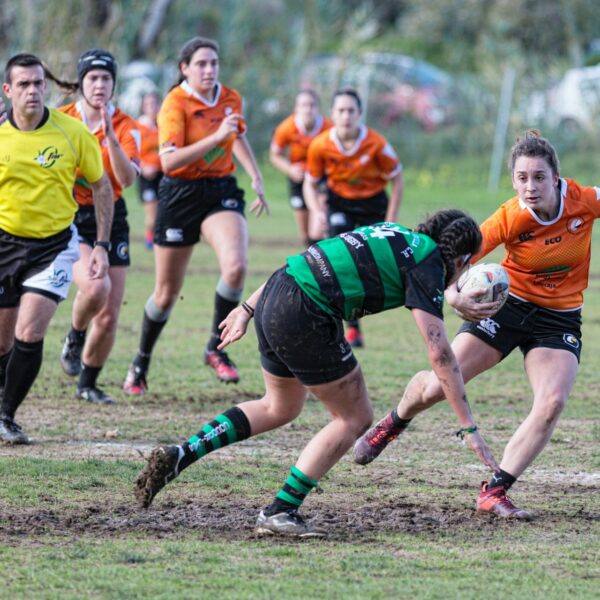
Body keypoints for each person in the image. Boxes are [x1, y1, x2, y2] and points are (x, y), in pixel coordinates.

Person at [134, 210, 499, 538]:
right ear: (462, 259)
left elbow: (308, 258)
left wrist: (247, 307)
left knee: (280, 406)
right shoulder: (429, 262)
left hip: (278, 291)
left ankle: (183, 453)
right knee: (355, 417)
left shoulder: (390, 232)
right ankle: (280, 510)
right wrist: (469, 428)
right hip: (305, 312)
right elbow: (440, 352)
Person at [353, 130, 598, 521]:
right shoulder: (509, 217)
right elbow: (448, 260)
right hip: (503, 308)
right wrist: (454, 298)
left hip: (558, 317)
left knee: (552, 403)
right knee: (438, 386)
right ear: (513, 180)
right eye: (521, 178)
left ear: (556, 177)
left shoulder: (585, 201)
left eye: (538, 177)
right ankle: (395, 421)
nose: (530, 187)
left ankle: (495, 490)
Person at [122, 36, 268, 395]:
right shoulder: (174, 104)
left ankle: (214, 348)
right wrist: (218, 137)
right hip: (180, 195)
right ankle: (141, 360)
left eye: (213, 63)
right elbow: (169, 161)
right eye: (201, 63)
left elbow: (238, 137)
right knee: (166, 293)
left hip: (219, 190)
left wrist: (255, 175)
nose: (209, 70)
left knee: (235, 267)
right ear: (184, 68)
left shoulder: (230, 97)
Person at [0, 53, 113, 443]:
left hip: (54, 246)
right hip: (4, 243)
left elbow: (102, 186)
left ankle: (7, 416)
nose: (33, 90)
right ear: (8, 90)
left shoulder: (71, 132)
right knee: (2, 339)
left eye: (38, 83)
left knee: (29, 331)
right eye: (25, 84)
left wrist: (100, 244)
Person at [58, 49, 140, 405]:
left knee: (108, 316)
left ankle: (87, 383)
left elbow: (127, 179)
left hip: (111, 217)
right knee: (95, 287)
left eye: (106, 78)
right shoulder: (60, 120)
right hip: (69, 216)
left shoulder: (125, 124)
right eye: (93, 78)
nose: (100, 84)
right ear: (81, 83)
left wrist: (111, 138)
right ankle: (75, 336)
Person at [304, 88, 404, 348]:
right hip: (340, 204)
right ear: (332, 114)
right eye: (341, 111)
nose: (346, 116)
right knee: (340, 260)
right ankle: (351, 329)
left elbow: (397, 179)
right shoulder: (321, 145)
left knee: (373, 264)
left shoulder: (377, 143)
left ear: (359, 114)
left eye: (351, 111)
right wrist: (316, 211)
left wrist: (390, 221)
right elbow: (309, 183)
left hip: (373, 204)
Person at [269, 90, 332, 247]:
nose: (308, 109)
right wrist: (290, 169)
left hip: (320, 179)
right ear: (296, 108)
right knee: (305, 235)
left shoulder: (328, 128)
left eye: (312, 105)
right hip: (298, 179)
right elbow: (274, 155)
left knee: (316, 229)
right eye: (304, 105)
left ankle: (322, 264)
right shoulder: (286, 127)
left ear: (318, 108)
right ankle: (312, 261)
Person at [136, 91, 162, 249]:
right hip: (147, 178)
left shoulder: (165, 125)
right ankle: (149, 240)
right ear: (143, 107)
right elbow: (131, 151)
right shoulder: (138, 127)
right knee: (152, 215)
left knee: (163, 211)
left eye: (155, 104)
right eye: (148, 104)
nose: (152, 107)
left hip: (163, 174)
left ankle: (160, 239)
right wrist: (142, 167)